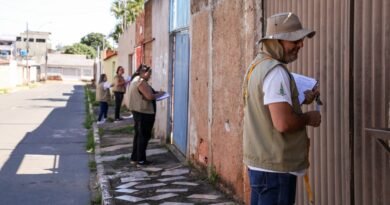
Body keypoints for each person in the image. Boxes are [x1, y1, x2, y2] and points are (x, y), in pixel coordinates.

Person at [242, 12, 322, 205]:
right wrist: (309, 117)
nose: (301, 44)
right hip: (275, 171)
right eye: (295, 40)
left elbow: (267, 111)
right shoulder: (275, 72)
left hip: (261, 166)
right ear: (277, 41)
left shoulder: (256, 66)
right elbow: (283, 123)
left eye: (300, 39)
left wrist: (299, 100)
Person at [128, 64, 165, 166]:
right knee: (143, 136)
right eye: (149, 74)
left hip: (138, 112)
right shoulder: (141, 81)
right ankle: (141, 160)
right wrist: (161, 94)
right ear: (145, 73)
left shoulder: (135, 79)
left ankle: (135, 158)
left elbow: (145, 93)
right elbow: (149, 96)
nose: (150, 76)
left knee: (138, 136)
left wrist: (154, 93)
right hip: (143, 113)